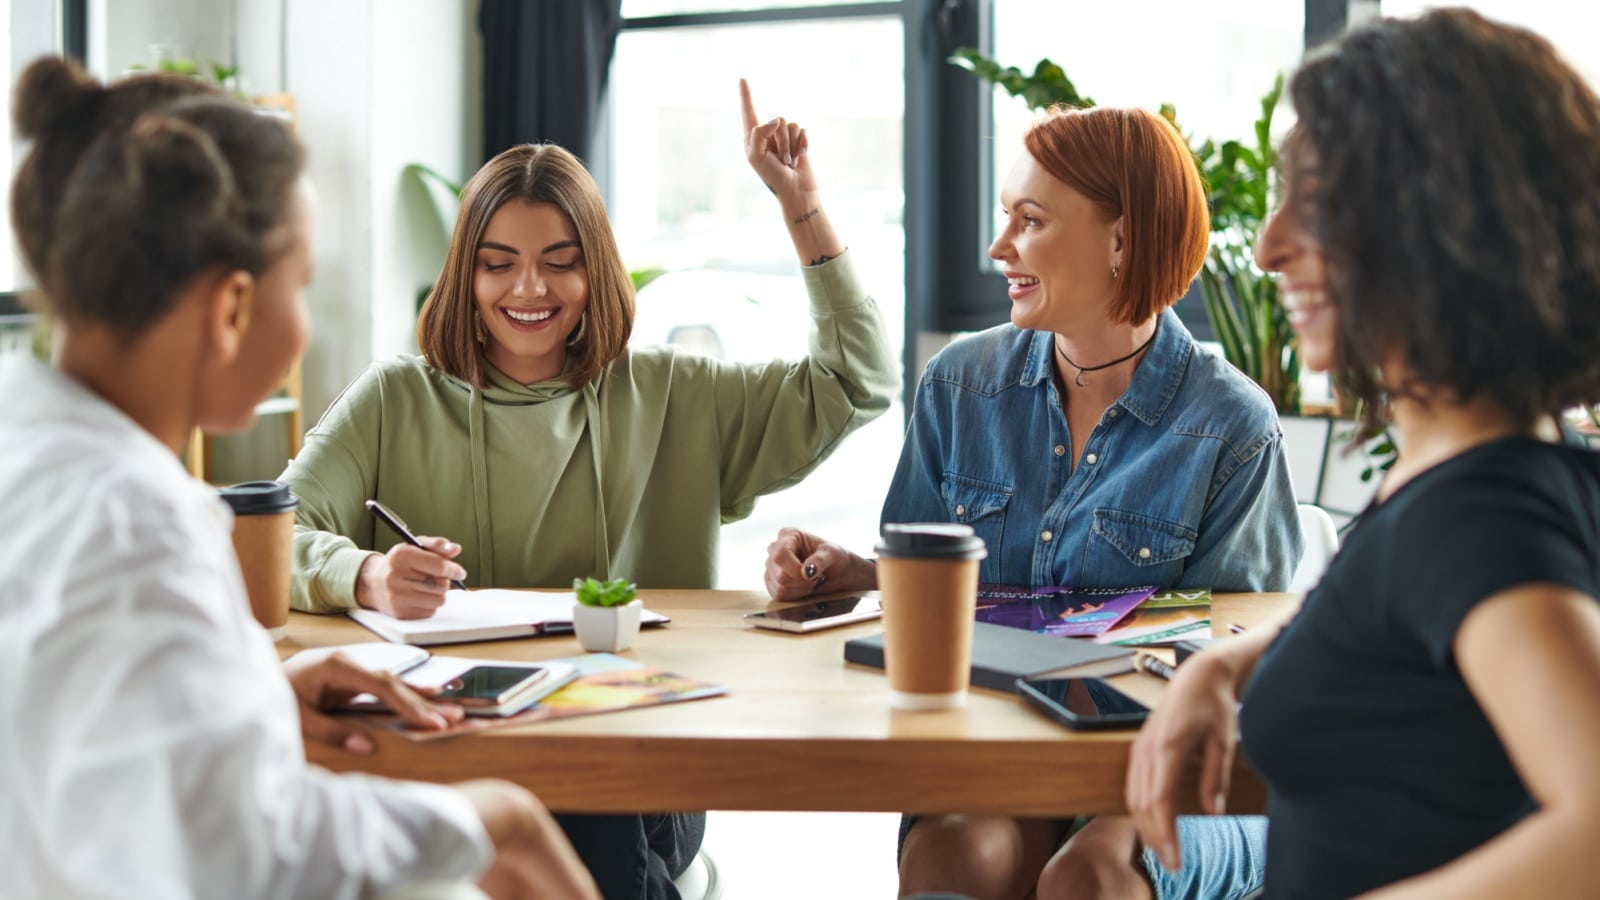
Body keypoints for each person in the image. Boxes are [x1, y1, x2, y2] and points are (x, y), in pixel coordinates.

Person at [0, 57, 598, 899]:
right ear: (232, 309)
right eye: (304, 285)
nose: (307, 326)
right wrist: (495, 817)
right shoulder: (137, 526)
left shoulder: (33, 450)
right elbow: (251, 856)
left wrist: (254, 697)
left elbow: (72, 725)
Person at [281, 80, 896, 898]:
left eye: (559, 264)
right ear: (465, 274)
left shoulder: (674, 391)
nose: (528, 290)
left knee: (585, 791)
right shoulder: (394, 398)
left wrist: (802, 206)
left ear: (594, 269)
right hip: (461, 747)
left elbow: (856, 381)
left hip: (637, 759)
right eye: (498, 265)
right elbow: (266, 536)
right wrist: (365, 573)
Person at [766, 104, 1302, 899]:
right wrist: (857, 574)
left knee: (1089, 877)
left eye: (1030, 220)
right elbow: (935, 606)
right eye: (1004, 217)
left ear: (1121, 240)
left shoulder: (1232, 425)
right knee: (953, 856)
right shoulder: (960, 385)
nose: (998, 247)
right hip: (1002, 743)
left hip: (1175, 765)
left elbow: (1238, 667)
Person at [1127, 9, 1600, 898]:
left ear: (1441, 225)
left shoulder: (1476, 519)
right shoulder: (1511, 461)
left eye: (1315, 204)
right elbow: (1395, 618)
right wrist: (1226, 665)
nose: (1269, 246)